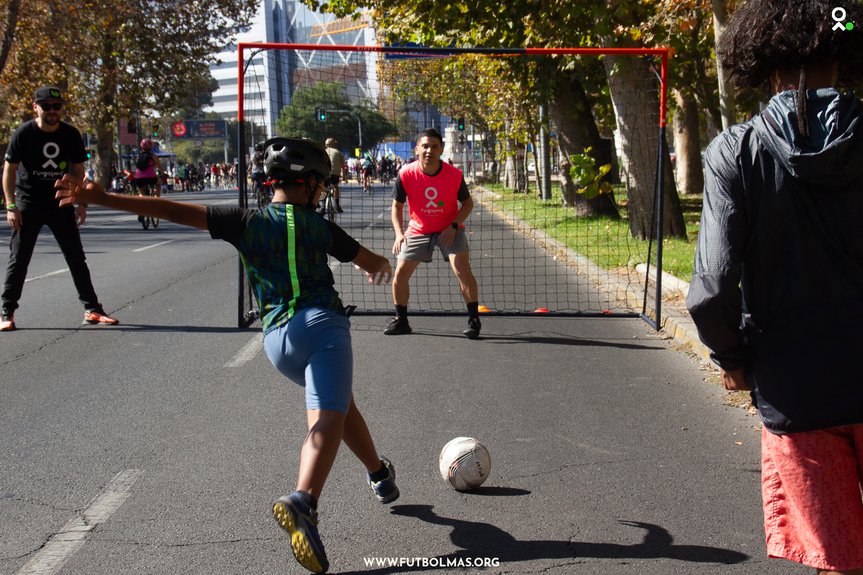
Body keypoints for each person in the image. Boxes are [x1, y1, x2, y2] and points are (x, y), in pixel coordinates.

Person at [54, 137, 399, 574]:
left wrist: (102, 197)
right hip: (322, 327)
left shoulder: (244, 220)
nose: (324, 191)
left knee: (340, 405)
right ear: (310, 183)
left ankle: (379, 474)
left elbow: (171, 210)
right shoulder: (321, 226)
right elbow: (371, 262)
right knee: (327, 416)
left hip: (276, 341)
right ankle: (303, 500)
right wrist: (381, 267)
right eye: (322, 184)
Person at [685, 2, 863, 574]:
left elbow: (712, 289)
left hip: (795, 387)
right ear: (845, 56)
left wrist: (733, 357)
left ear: (758, 63)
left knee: (836, 558)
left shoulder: (734, 152)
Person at [0, 86, 118, 332]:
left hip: (61, 202)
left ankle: (93, 309)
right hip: (28, 203)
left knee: (76, 257)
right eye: (46, 107)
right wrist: (11, 206)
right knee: (19, 259)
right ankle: (6, 312)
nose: (52, 111)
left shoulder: (70, 134)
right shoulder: (24, 133)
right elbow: (9, 170)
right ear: (36, 107)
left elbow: (78, 170)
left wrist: (81, 201)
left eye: (57, 107)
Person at [386, 128, 481, 338]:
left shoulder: (454, 175)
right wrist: (399, 234)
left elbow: (467, 204)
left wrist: (454, 225)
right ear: (417, 149)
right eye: (425, 146)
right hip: (418, 229)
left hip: (450, 229)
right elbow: (397, 207)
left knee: (462, 270)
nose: (429, 150)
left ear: (442, 149)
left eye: (435, 146)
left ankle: (474, 319)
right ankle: (401, 320)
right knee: (400, 274)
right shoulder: (406, 173)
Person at [133, 138, 164, 227]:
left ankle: (141, 212)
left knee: (142, 194)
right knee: (158, 184)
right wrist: (163, 174)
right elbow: (159, 167)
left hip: (138, 178)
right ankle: (157, 199)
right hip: (150, 177)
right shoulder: (153, 156)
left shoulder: (139, 156)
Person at [324, 137, 345, 213]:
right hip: (335, 174)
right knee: (336, 187)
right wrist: (344, 176)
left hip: (325, 174)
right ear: (333, 144)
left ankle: (323, 206)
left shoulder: (323, 152)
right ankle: (337, 206)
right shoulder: (337, 152)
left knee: (323, 188)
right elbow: (342, 165)